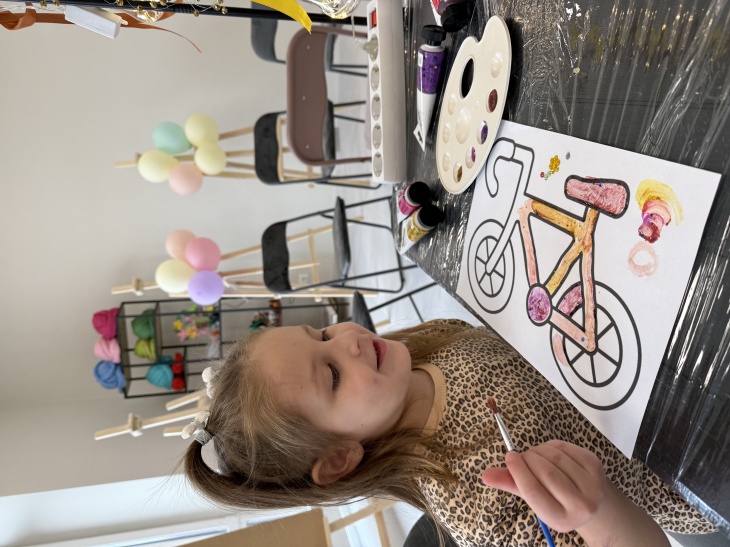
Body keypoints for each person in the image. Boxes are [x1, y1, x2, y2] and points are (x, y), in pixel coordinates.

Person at [182, 319, 714, 546]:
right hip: (696, 467)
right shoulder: (481, 506)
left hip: (655, 358)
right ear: (341, 457)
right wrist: (599, 513)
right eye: (333, 376)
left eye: (320, 332)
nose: (347, 341)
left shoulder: (421, 346)